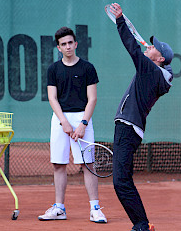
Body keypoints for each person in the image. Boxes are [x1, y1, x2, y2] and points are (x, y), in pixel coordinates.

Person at [108, 3, 174, 231]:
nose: (150, 46)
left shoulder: (151, 71)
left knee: (121, 182)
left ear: (161, 59)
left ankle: (142, 226)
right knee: (122, 181)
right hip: (128, 128)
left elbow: (133, 48)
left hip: (128, 128)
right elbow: (138, 50)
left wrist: (119, 21)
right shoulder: (155, 71)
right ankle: (141, 225)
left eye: (154, 47)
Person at [38, 27, 107, 223]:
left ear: (76, 44)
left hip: (83, 119)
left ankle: (95, 209)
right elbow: (52, 98)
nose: (68, 46)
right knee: (58, 165)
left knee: (88, 164)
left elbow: (92, 99)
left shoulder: (88, 68)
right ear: (58, 47)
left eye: (70, 43)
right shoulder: (53, 69)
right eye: (63, 44)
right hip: (60, 120)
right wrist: (65, 122)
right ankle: (59, 208)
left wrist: (83, 124)